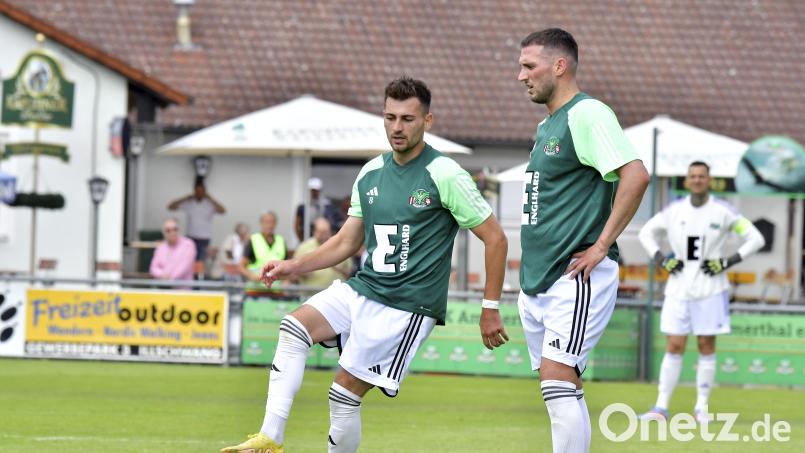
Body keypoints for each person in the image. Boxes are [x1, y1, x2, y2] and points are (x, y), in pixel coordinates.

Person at [221, 76, 509, 453]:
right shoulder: (372, 171)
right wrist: (293, 265)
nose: (397, 127)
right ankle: (270, 438)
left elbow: (496, 238)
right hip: (364, 288)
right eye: (390, 117)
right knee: (293, 328)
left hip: (407, 306)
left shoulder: (446, 174)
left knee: (342, 396)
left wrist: (490, 308)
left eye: (407, 119)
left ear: (428, 121)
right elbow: (346, 241)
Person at [516, 28, 649, 453]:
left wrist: (601, 244)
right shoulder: (548, 124)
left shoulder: (587, 113)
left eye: (529, 66)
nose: (521, 76)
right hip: (541, 277)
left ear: (560, 66)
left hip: (575, 273)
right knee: (561, 386)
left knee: (557, 381)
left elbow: (635, 175)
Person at [638, 161, 764, 422]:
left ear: (709, 180)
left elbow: (756, 238)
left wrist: (728, 262)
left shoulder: (723, 212)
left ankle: (701, 408)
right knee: (674, 345)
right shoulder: (673, 211)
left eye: (701, 176)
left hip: (711, 290)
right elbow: (646, 233)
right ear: (686, 181)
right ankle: (660, 408)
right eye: (693, 176)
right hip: (678, 289)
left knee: (706, 345)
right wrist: (661, 258)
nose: (697, 180)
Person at [167, 178, 226, 262]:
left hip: (204, 238)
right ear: (194, 191)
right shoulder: (189, 203)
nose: (199, 193)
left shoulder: (209, 204)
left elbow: (223, 211)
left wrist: (211, 198)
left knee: (201, 262)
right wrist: (185, 198)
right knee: (188, 260)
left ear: (205, 192)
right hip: (190, 237)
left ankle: (200, 271)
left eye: (201, 191)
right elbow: (170, 207)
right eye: (197, 191)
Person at [294, 217, 352, 294]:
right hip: (311, 295)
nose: (324, 236)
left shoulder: (339, 246)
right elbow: (294, 271)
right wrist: (305, 271)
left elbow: (349, 273)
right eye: (321, 232)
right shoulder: (304, 247)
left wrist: (337, 268)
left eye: (326, 232)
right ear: (314, 232)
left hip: (336, 295)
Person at [238, 212, 287, 294]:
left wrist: (286, 282)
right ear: (261, 223)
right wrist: (251, 276)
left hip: (276, 291)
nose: (270, 225)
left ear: (276, 224)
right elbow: (241, 266)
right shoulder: (253, 240)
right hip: (255, 291)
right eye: (267, 222)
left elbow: (286, 266)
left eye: (272, 222)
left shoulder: (281, 241)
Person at [149, 218, 196, 282]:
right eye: (168, 230)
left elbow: (184, 267)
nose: (172, 232)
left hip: (183, 286)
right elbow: (153, 268)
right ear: (163, 232)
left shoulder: (188, 245)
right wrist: (162, 275)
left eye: (175, 229)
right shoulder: (160, 248)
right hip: (162, 285)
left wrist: (169, 278)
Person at [294, 177, 341, 241]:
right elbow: (297, 226)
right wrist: (302, 240)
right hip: (308, 239)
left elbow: (333, 224)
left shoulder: (327, 206)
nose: (315, 193)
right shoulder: (303, 207)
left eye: (316, 191)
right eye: (312, 191)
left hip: (323, 240)